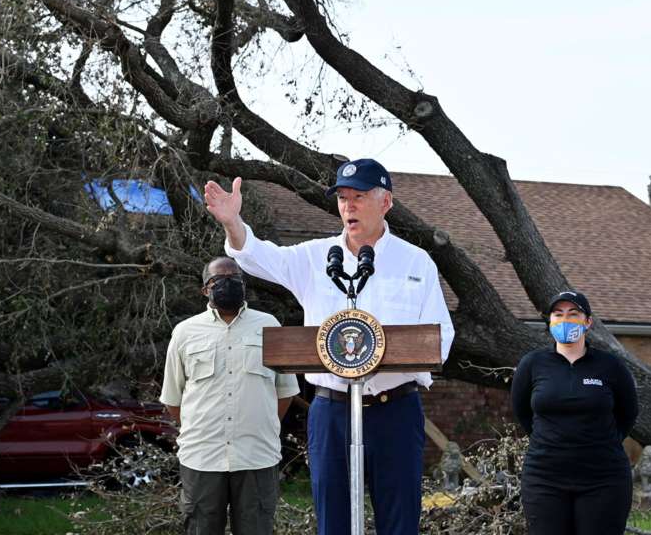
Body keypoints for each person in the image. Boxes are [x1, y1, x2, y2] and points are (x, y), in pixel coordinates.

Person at [204, 158, 455, 535]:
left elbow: (441, 337)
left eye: (359, 197)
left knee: (400, 521)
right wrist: (233, 223)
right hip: (332, 410)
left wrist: (400, 355)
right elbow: (257, 256)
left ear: (385, 202)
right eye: (342, 198)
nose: (348, 206)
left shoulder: (416, 261)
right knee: (332, 521)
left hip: (395, 411)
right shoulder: (316, 257)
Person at [161, 257, 301, 535]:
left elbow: (284, 392)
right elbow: (173, 400)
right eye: (219, 280)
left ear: (244, 285)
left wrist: (260, 425)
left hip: (257, 456)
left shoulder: (270, 325)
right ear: (205, 290)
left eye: (234, 278)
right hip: (202, 456)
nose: (228, 284)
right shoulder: (185, 332)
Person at [510, 289, 639, 535]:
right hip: (544, 479)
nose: (565, 319)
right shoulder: (532, 365)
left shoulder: (610, 366)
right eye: (558, 314)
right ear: (550, 322)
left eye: (573, 313)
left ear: (587, 321)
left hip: (604, 479)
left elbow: (628, 413)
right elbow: (523, 413)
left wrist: (600, 442)